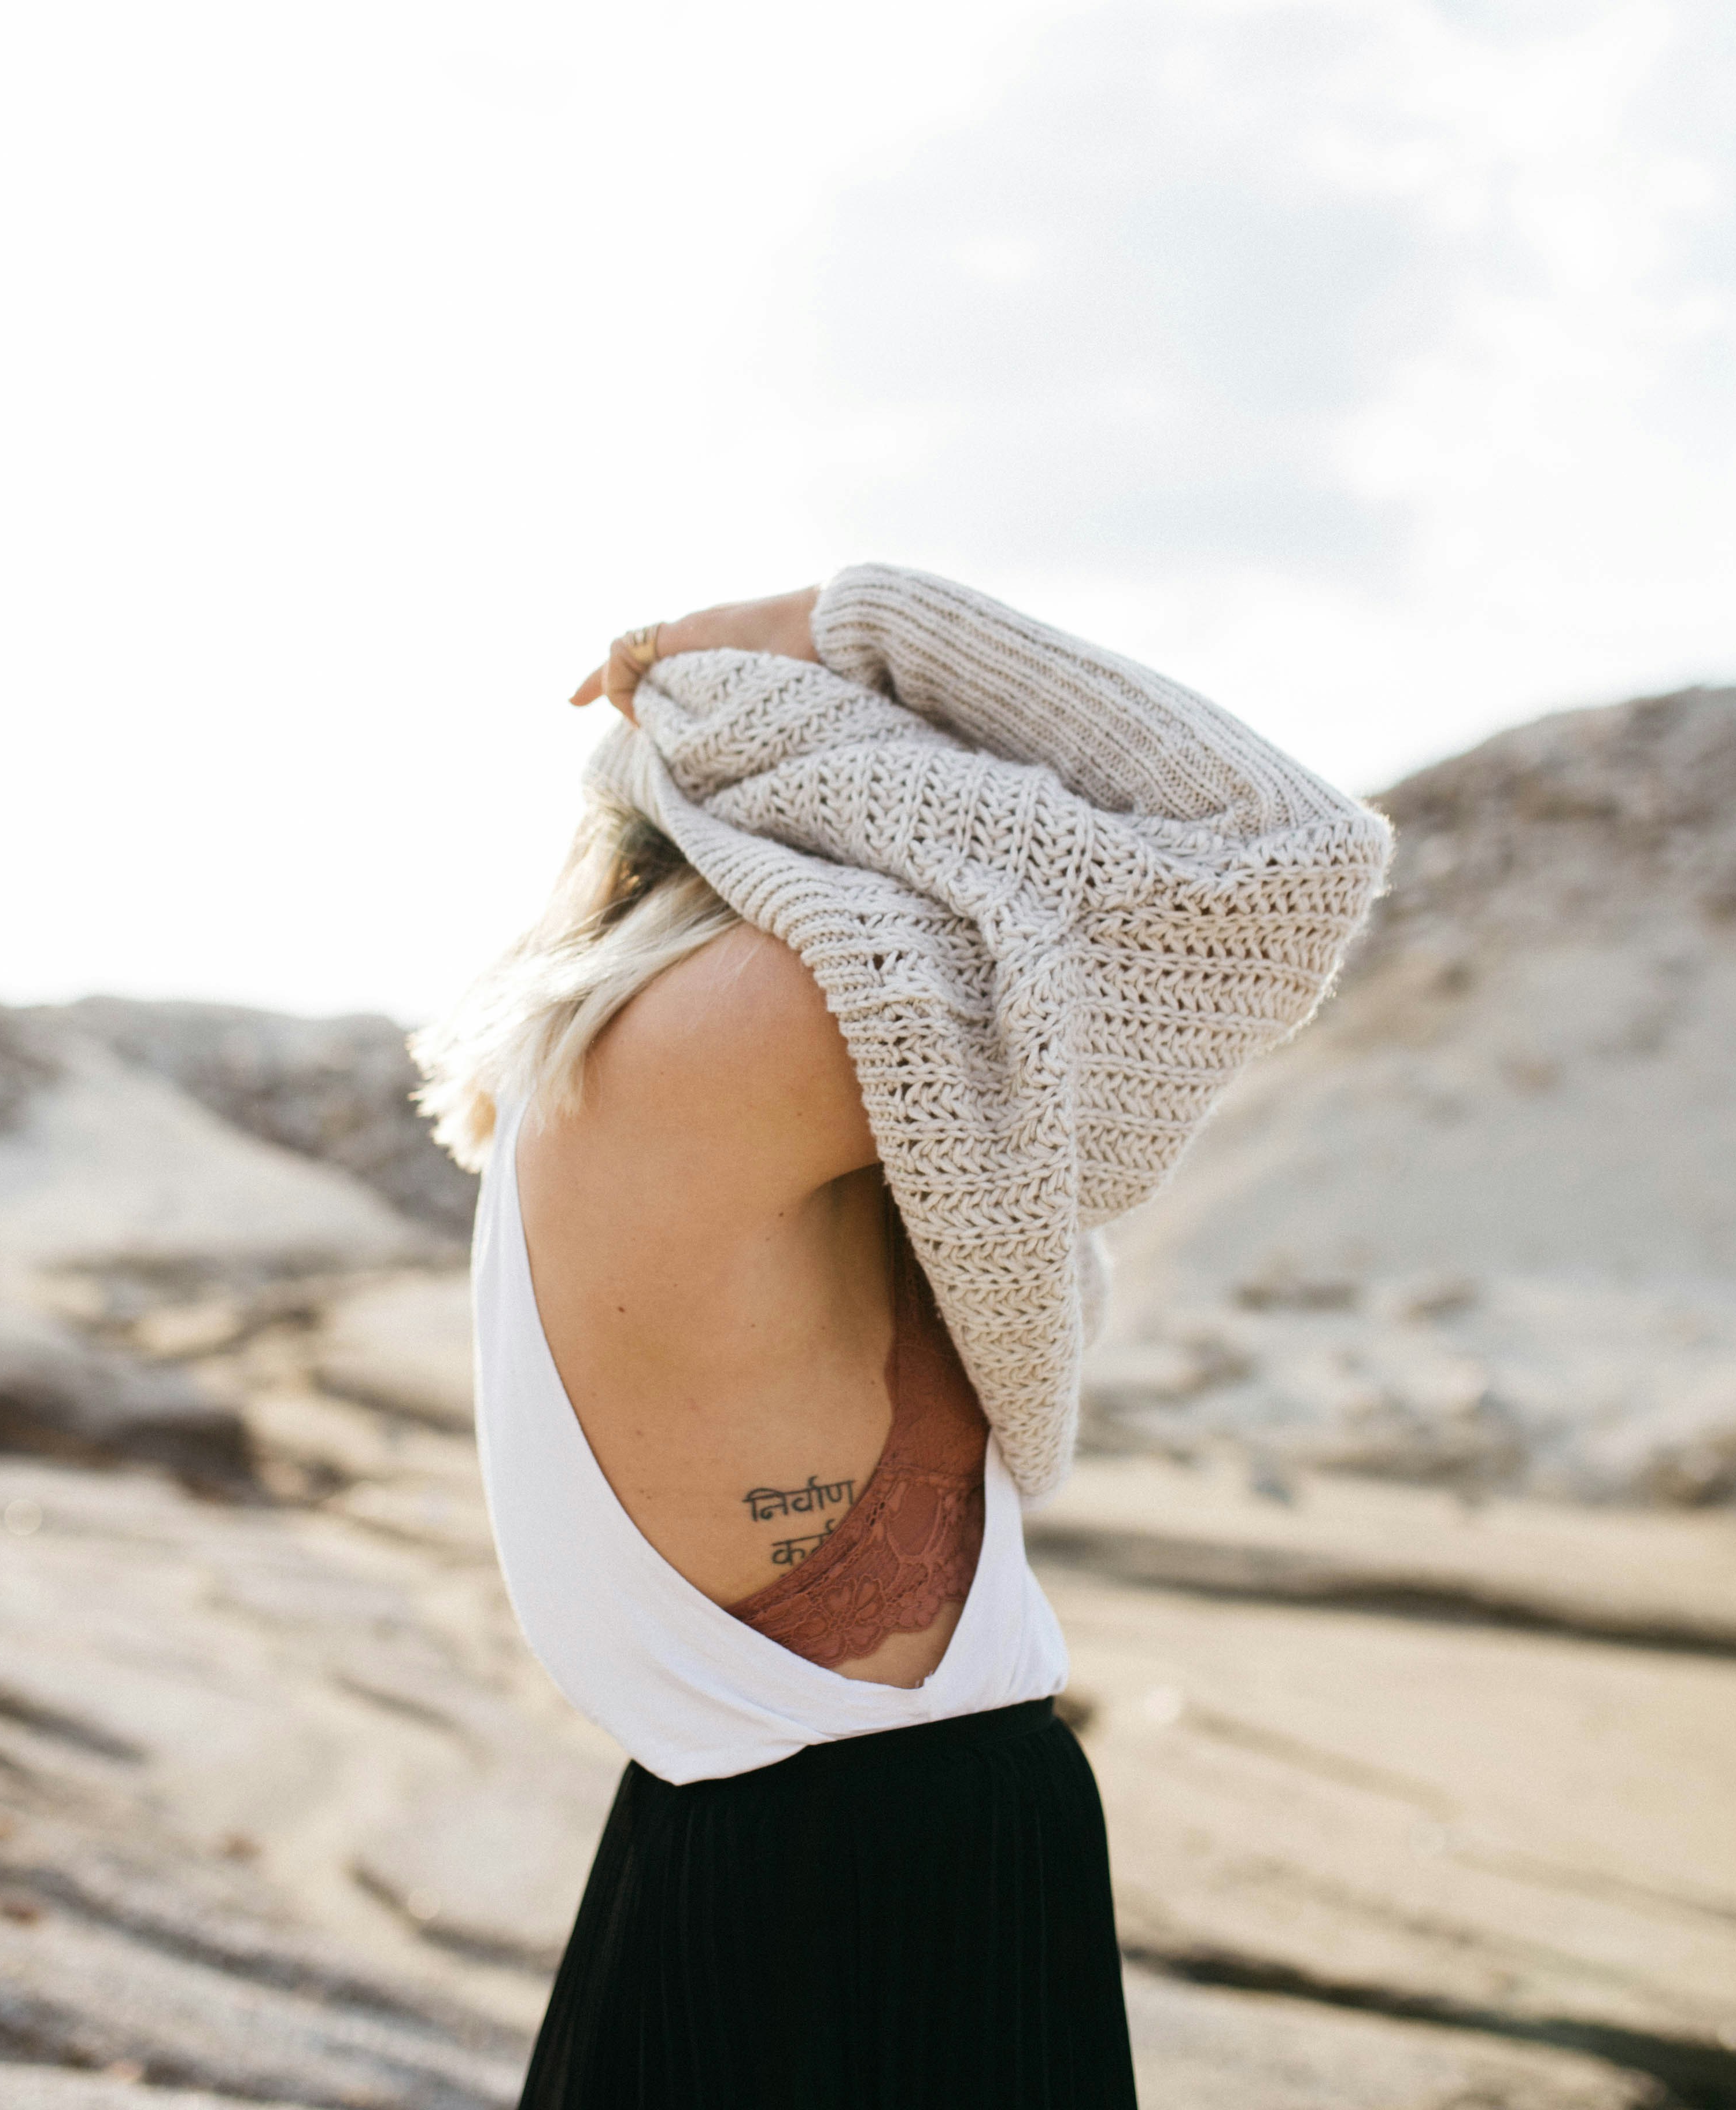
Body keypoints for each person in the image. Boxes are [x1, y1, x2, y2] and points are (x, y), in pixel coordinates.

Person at [412, 566, 1391, 2108]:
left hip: (762, 1842)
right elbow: (1281, 854)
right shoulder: (758, 1014)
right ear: (833, 782)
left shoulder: (630, 1036)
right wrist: (839, 622)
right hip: (878, 1870)